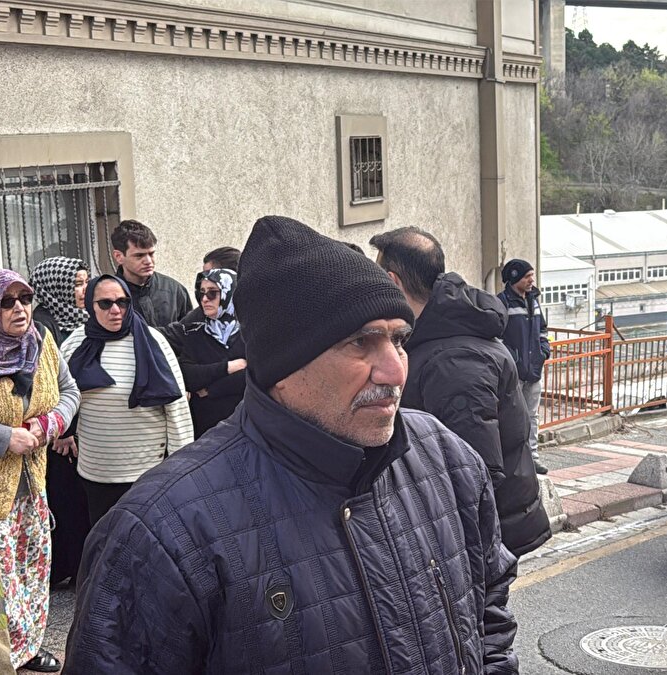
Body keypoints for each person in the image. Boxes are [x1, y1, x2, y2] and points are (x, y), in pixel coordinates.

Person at [65, 216, 519, 673]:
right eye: (362, 341)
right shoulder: (158, 536)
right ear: (285, 365)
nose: (397, 370)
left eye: (399, 339)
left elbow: (489, 616)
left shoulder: (447, 459)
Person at [372, 227, 552, 557]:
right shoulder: (443, 334)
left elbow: (472, 475)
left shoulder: (454, 361)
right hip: (480, 530)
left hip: (475, 541)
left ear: (393, 282)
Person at [0, 271, 80, 672]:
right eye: (7, 302)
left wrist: (48, 426)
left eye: (24, 298)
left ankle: (26, 648)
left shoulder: (42, 341)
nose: (19, 309)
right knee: (0, 580)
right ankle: (1, 655)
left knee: (32, 567)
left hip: (34, 480)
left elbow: (70, 392)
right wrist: (3, 437)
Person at [58, 275, 193, 526]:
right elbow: (62, 395)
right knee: (104, 545)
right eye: (106, 304)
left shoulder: (153, 341)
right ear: (90, 305)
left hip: (147, 473)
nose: (116, 310)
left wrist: (181, 464)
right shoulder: (75, 344)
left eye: (122, 302)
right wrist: (63, 431)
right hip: (96, 473)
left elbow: (177, 408)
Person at [27, 257, 92, 590]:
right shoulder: (42, 324)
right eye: (76, 284)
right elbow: (47, 383)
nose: (82, 290)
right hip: (52, 436)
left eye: (84, 282)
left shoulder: (80, 318)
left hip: (71, 425)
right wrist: (62, 431)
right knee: (62, 501)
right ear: (56, 287)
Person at [178, 269, 246, 438]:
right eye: (202, 294)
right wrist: (228, 367)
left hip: (242, 426)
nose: (205, 299)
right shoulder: (194, 333)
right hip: (204, 429)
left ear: (229, 294)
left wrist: (211, 389)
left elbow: (254, 376)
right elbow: (188, 376)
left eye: (213, 293)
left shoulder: (249, 334)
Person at [497, 259, 550, 475]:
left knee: (532, 416)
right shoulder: (502, 303)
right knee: (511, 416)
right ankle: (512, 459)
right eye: (527, 276)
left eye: (532, 275)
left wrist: (543, 351)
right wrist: (511, 359)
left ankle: (533, 458)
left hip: (534, 370)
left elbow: (542, 330)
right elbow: (496, 336)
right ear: (515, 277)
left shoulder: (534, 301)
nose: (532, 280)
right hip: (514, 372)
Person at [110, 219, 193, 328]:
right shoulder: (107, 295)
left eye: (151, 254)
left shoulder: (175, 290)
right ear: (118, 257)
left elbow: (189, 334)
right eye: (139, 256)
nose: (148, 261)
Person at [160, 246, 242, 353]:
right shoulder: (203, 316)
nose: (204, 280)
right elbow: (172, 336)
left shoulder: (259, 317)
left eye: (210, 275)